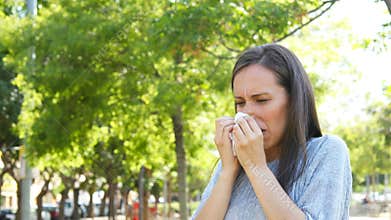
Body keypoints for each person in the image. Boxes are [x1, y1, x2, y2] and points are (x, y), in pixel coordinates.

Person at [192, 44, 352, 220]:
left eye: (261, 100)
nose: (247, 114)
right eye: (240, 102)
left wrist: (256, 168)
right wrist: (228, 171)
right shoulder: (232, 163)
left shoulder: (326, 152)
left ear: (293, 101)